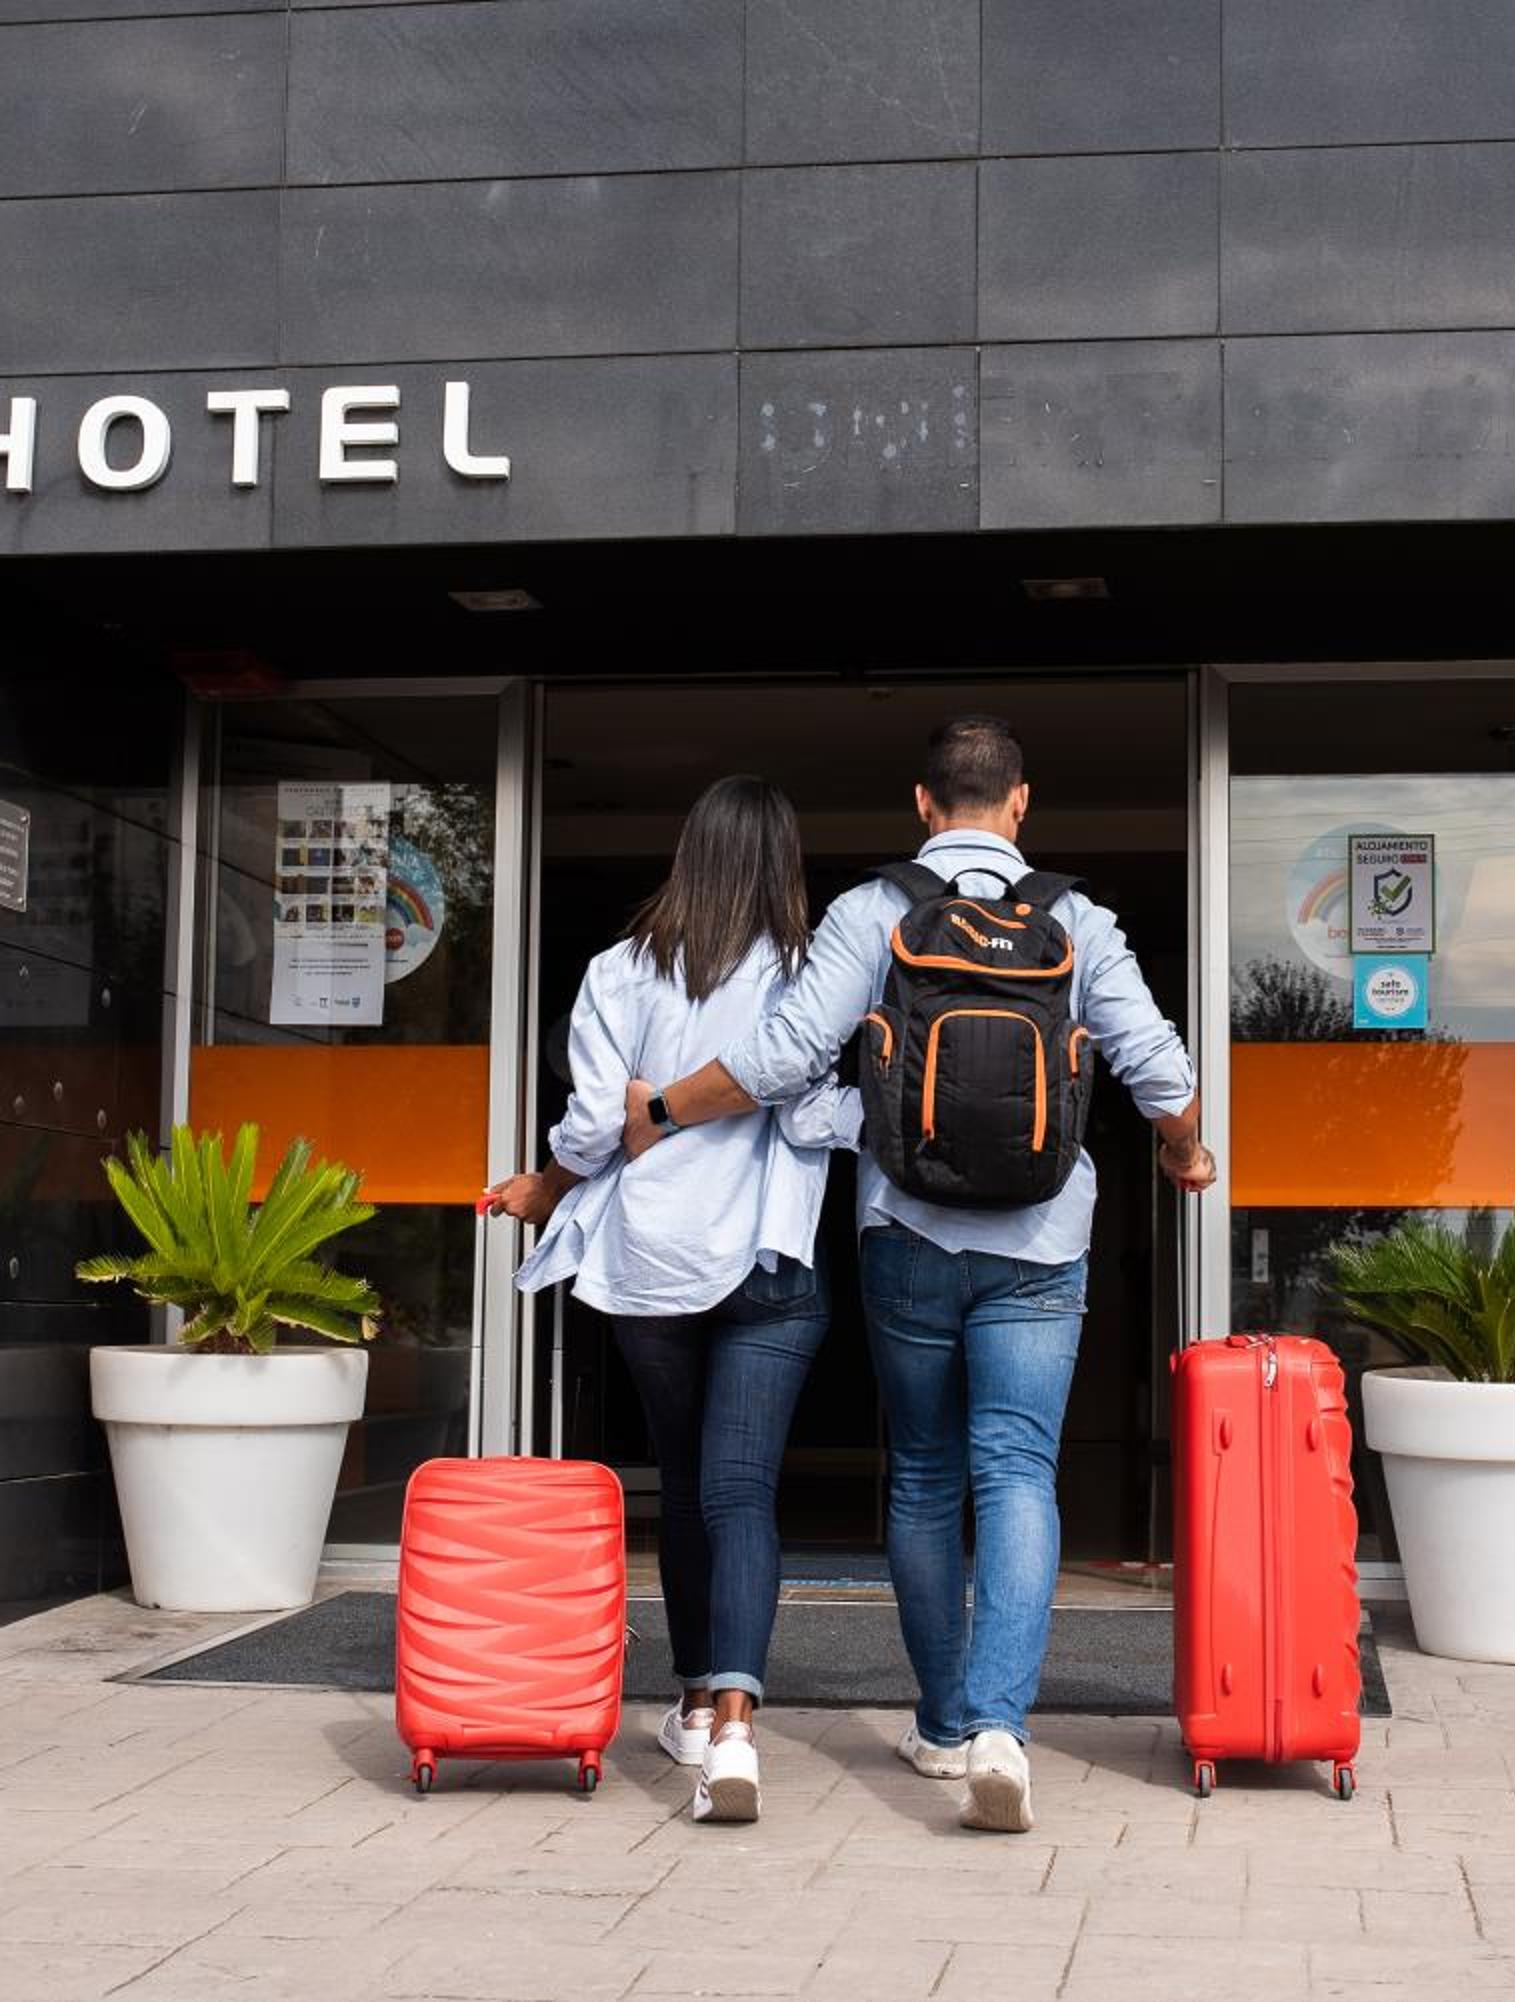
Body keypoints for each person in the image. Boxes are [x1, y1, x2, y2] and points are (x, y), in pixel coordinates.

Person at [625, 715, 1211, 1834]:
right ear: (1021, 803)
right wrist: (1184, 1153)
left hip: (907, 1238)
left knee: (928, 1479)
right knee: (1019, 1472)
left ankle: (941, 1724)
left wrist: (664, 1107)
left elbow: (781, 1063)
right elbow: (1160, 1070)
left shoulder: (872, 911)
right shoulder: (1078, 919)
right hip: (1041, 1242)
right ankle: (1000, 1729)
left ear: (923, 803)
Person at [484, 774, 856, 1826]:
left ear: (689, 853)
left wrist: (551, 1180)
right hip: (768, 1260)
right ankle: (733, 1729)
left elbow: (595, 1125)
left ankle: (692, 1703)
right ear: (785, 864)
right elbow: (819, 1116)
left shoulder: (619, 972)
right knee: (741, 1493)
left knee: (687, 1485)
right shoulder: (810, 976)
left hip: (649, 1262)